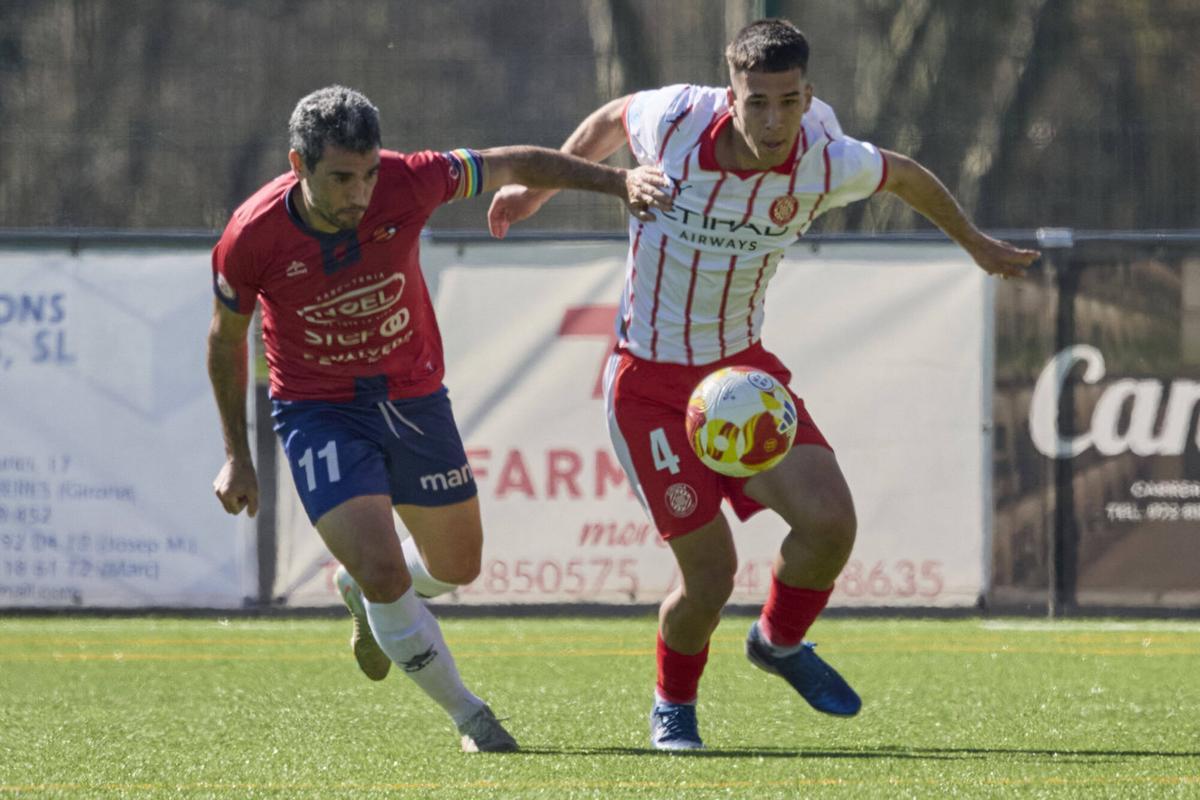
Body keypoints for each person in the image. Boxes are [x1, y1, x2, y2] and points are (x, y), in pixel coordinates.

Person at [489, 19, 1040, 750]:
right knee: (709, 575)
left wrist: (973, 243)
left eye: (789, 101)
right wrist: (537, 190)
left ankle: (778, 644)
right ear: (732, 94)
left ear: (808, 95)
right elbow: (614, 116)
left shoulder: (825, 157)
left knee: (830, 524)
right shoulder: (678, 120)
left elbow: (905, 175)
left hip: (742, 374)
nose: (774, 120)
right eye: (758, 103)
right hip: (648, 384)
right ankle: (673, 704)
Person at [207, 85, 670, 753]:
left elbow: (513, 162)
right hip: (319, 410)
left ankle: (357, 588)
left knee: (457, 566)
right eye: (340, 177)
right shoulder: (251, 235)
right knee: (388, 572)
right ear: (297, 164)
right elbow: (225, 341)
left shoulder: (411, 179)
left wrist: (619, 180)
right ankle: (472, 718)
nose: (360, 193)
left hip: (413, 398)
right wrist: (238, 455)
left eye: (367, 174)